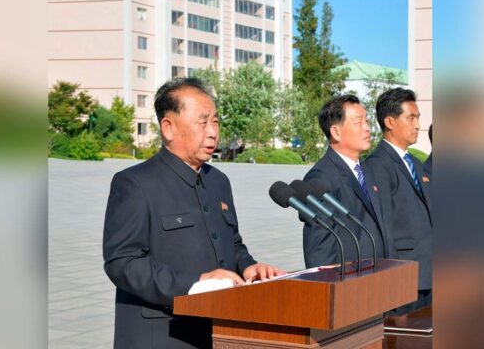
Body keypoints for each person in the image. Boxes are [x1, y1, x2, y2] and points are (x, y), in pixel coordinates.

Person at [102, 77, 283, 348]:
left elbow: (233, 244)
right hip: (162, 334)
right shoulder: (135, 183)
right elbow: (122, 262)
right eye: (202, 122)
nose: (213, 132)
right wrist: (195, 283)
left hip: (219, 331)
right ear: (169, 127)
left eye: (216, 122)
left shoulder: (218, 181)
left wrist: (249, 268)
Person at [363, 87, 432, 314]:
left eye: (418, 118)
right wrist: (394, 279)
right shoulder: (377, 165)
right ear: (390, 121)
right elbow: (383, 227)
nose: (417, 125)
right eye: (410, 118)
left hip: (429, 274)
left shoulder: (415, 162)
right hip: (405, 278)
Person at [302, 95, 390, 269]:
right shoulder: (321, 178)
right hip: (350, 281)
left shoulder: (367, 171)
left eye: (367, 121)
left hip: (379, 276)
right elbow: (320, 248)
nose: (367, 128)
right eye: (359, 122)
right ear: (335, 132)